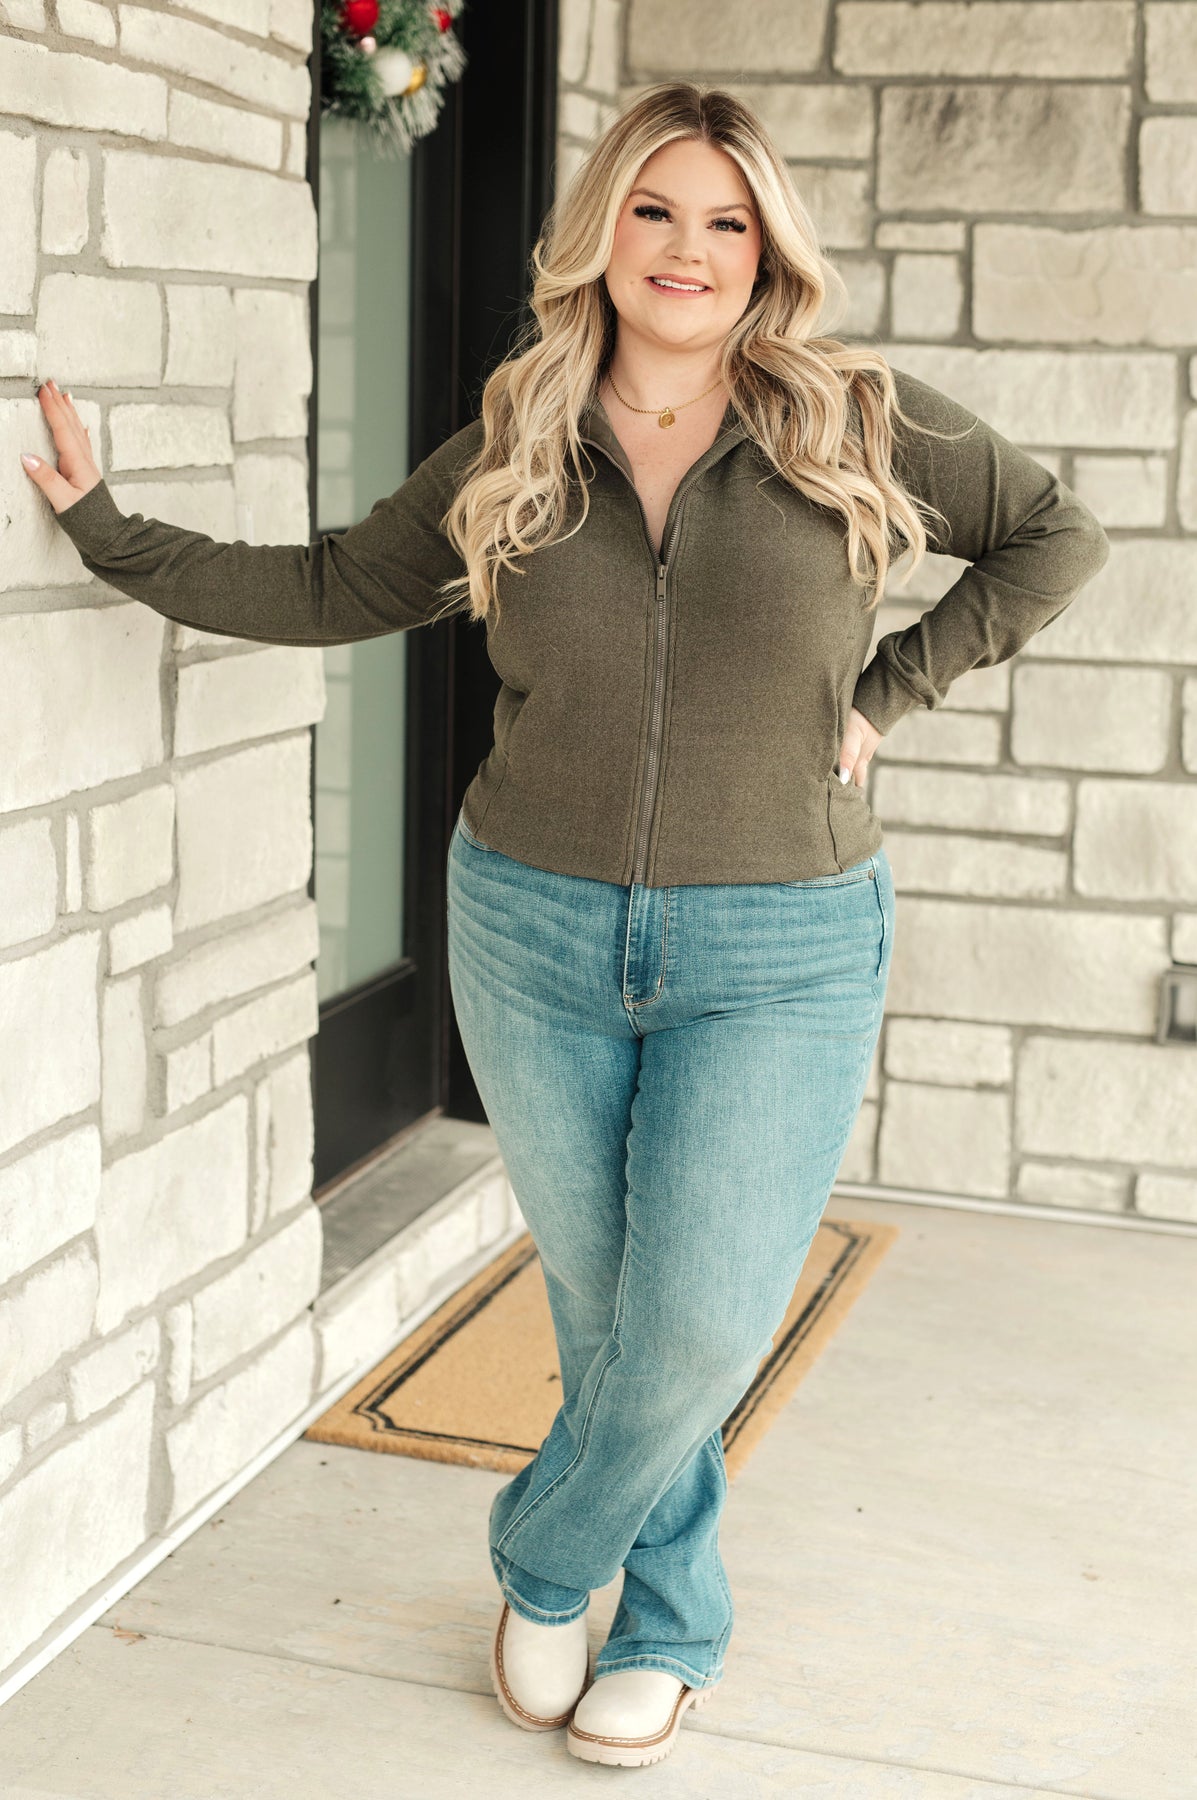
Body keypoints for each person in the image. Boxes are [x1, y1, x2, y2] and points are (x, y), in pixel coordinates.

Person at [23, 80, 1109, 1772]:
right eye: (655, 210)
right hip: (529, 925)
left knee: (696, 1321)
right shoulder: (518, 434)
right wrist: (109, 534)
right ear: (602, 229)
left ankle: (544, 1558)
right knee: (609, 1314)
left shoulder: (853, 416)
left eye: (725, 220)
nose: (687, 249)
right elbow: (334, 586)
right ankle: (669, 1622)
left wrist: (888, 690)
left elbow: (1053, 535)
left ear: (766, 251)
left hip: (781, 944)